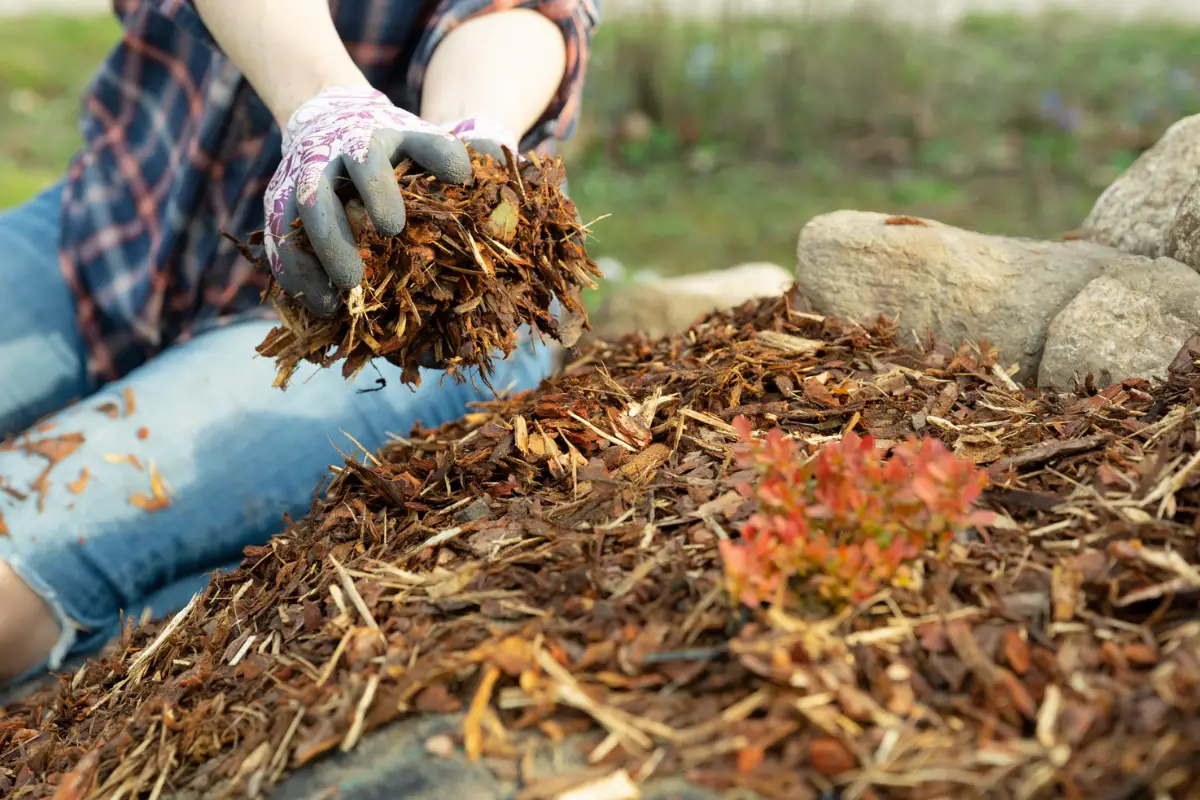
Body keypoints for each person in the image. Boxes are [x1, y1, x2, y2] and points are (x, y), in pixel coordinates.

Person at [0, 0, 598, 687]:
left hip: (372, 320)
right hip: (122, 218)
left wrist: (468, 133)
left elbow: (518, 11)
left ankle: (186, 615)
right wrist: (327, 104)